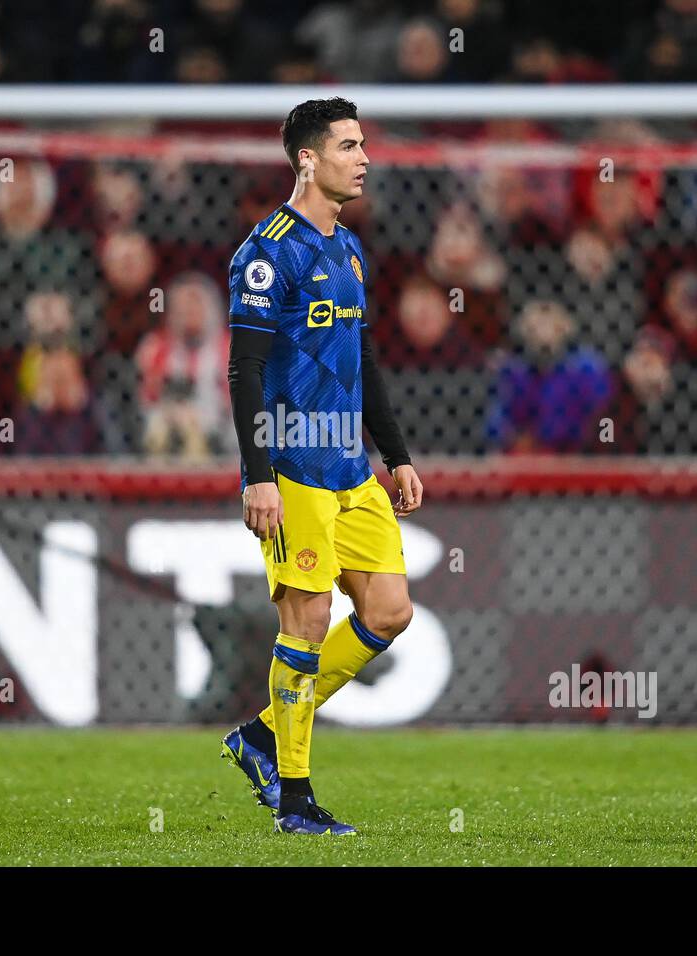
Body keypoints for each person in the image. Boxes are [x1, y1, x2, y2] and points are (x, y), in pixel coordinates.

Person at [223, 97, 422, 835]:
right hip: (295, 463)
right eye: (348, 145)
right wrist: (257, 473)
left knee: (389, 611)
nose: (364, 157)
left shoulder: (347, 247)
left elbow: (364, 358)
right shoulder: (268, 252)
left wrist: (395, 454)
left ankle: (263, 737)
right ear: (308, 159)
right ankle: (296, 800)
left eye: (363, 144)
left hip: (352, 467)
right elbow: (244, 370)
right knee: (306, 622)